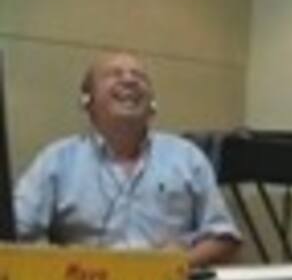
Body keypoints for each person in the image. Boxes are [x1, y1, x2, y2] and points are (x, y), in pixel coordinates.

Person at [14, 51, 241, 267]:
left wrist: (178, 263)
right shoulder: (57, 160)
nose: (129, 80)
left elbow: (224, 237)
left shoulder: (187, 157)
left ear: (152, 103)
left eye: (139, 76)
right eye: (114, 74)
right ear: (87, 100)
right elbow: (15, 230)